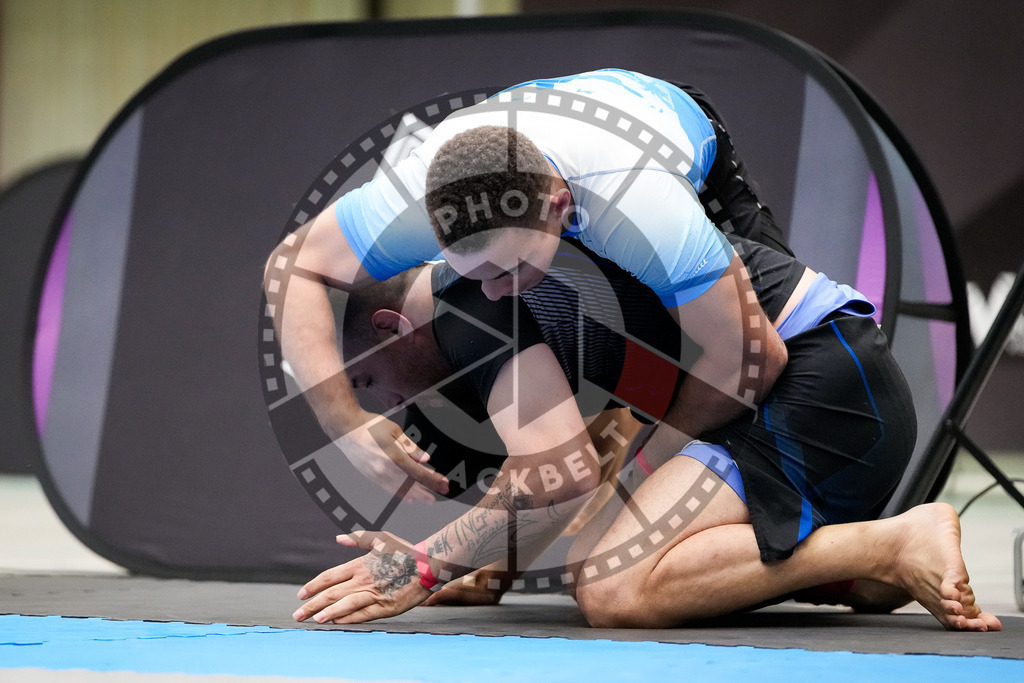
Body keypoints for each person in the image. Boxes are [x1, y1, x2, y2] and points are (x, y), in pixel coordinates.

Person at [288, 235, 1001, 631]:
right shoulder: (472, 296)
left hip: (827, 387)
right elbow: (552, 471)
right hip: (808, 395)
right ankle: (860, 575)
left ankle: (893, 540)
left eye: (369, 385)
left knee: (612, 585)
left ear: (391, 328)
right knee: (598, 556)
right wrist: (492, 568)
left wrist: (422, 564)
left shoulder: (473, 315)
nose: (386, 404)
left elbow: (557, 481)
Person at [265, 68, 790, 506]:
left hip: (659, 128)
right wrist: (346, 423)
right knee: (603, 342)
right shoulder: (411, 203)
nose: (494, 295)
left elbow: (750, 356)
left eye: (505, 272)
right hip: (542, 144)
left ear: (560, 210)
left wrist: (636, 486)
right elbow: (291, 266)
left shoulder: (643, 211)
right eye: (475, 276)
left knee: (786, 346)